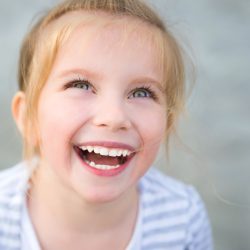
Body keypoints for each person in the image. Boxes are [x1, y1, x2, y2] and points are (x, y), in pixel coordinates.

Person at [0, 0, 213, 249]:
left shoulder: (184, 219)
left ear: (167, 122)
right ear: (28, 118)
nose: (114, 117)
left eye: (142, 92)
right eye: (80, 85)